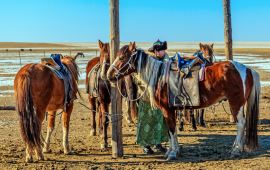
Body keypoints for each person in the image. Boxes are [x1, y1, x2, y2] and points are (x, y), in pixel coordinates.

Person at [136, 39, 169, 154]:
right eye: (161, 50)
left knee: (159, 121)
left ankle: (158, 143)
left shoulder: (165, 61)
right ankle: (145, 145)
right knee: (146, 121)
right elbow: (140, 78)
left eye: (164, 50)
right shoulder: (146, 62)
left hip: (160, 98)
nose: (163, 52)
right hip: (146, 97)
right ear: (155, 51)